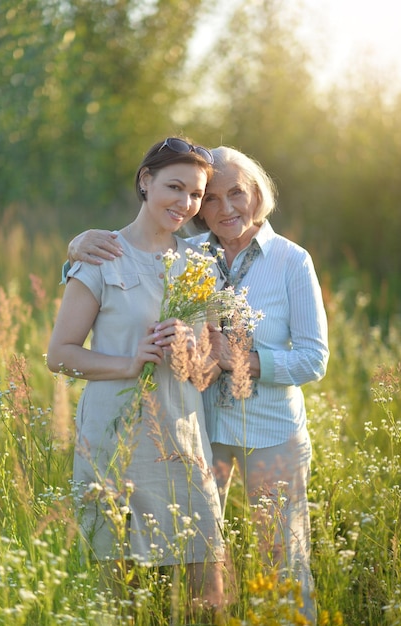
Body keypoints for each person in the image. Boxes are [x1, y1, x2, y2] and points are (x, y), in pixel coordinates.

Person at [66, 145, 330, 625]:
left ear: (258, 195)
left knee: (283, 562)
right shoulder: (189, 253)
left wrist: (240, 359)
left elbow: (314, 359)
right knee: (203, 564)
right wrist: (76, 246)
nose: (223, 208)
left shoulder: (291, 260)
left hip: (270, 433)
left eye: (237, 194)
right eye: (210, 199)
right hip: (200, 433)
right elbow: (130, 256)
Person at [48, 137, 226, 624]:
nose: (185, 204)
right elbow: (59, 355)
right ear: (145, 181)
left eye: (196, 194)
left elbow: (210, 373)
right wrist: (130, 362)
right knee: (119, 598)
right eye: (174, 187)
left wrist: (193, 353)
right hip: (114, 441)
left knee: (207, 597)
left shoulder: (201, 265)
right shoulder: (100, 253)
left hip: (182, 440)